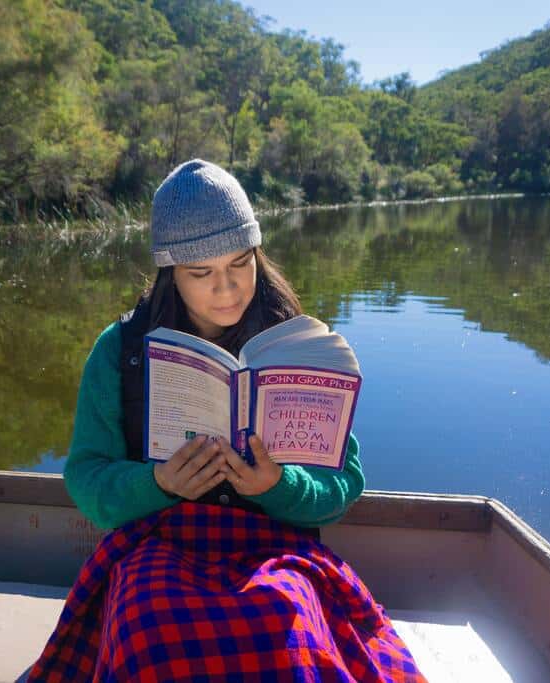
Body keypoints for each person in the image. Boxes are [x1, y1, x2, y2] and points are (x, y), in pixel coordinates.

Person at [29, 160, 425, 682]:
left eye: (241, 263)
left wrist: (280, 485)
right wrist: (157, 483)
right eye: (202, 273)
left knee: (284, 629)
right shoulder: (119, 351)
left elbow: (344, 483)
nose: (228, 289)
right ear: (171, 272)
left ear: (258, 253)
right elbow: (86, 480)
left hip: (275, 548)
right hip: (159, 542)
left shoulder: (297, 348)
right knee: (151, 632)